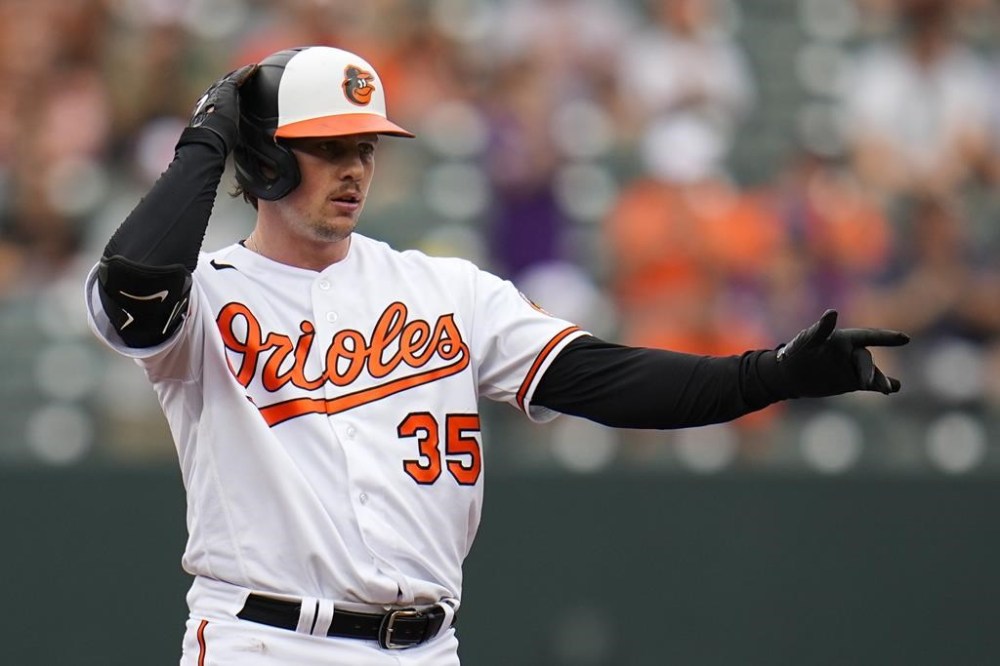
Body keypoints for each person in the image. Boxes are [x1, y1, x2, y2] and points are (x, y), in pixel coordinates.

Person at [84, 46, 909, 665]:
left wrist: (768, 374)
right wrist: (205, 142)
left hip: (426, 646)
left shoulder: (445, 289)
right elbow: (134, 289)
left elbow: (602, 380)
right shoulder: (211, 294)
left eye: (366, 146)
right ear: (262, 157)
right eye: (330, 146)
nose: (356, 167)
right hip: (263, 641)